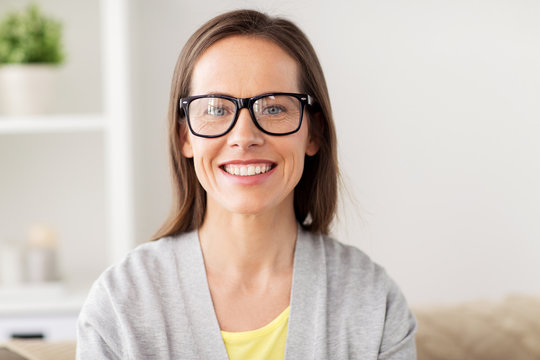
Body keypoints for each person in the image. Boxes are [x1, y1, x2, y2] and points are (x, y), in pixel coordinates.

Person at [76, 9, 417, 360]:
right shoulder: (120, 304)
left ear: (313, 133)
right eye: (215, 109)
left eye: (272, 109)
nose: (244, 137)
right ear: (185, 137)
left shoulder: (374, 301)